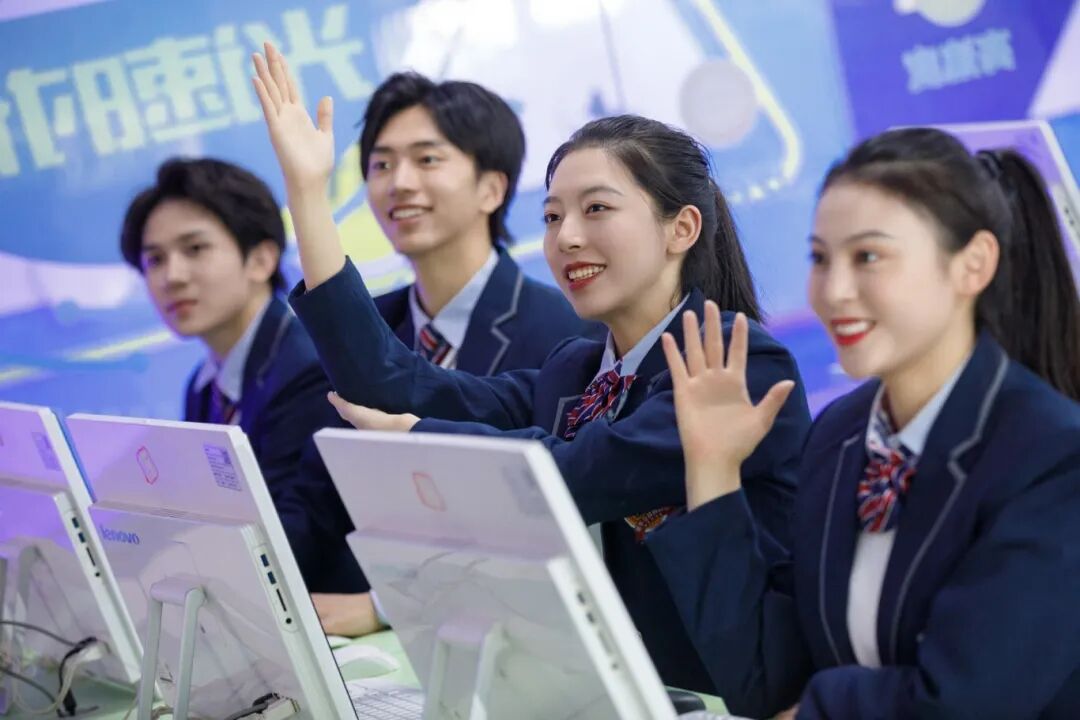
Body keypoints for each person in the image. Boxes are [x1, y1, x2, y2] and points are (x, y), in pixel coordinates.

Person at [251, 42, 810, 692]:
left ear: (681, 228)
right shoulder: (574, 371)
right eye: (551, 216)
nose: (566, 236)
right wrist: (308, 195)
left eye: (596, 209)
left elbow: (572, 476)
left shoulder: (739, 364)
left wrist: (417, 437)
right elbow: (392, 384)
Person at [649, 127, 1080, 718]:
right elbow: (766, 679)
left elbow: (963, 703)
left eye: (868, 257)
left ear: (973, 265)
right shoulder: (841, 434)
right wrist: (713, 471)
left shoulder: (1052, 456)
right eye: (820, 259)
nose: (835, 291)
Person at [306, 70, 591, 627]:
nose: (399, 183)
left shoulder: (564, 332)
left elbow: (556, 522)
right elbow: (328, 500)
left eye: (427, 159)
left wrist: (387, 605)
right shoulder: (363, 329)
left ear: (492, 188)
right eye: (381, 165)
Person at [120, 157, 344, 589]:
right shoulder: (203, 384)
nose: (172, 277)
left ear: (261, 259)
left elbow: (297, 535)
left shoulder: (309, 368)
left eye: (194, 249)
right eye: (155, 259)